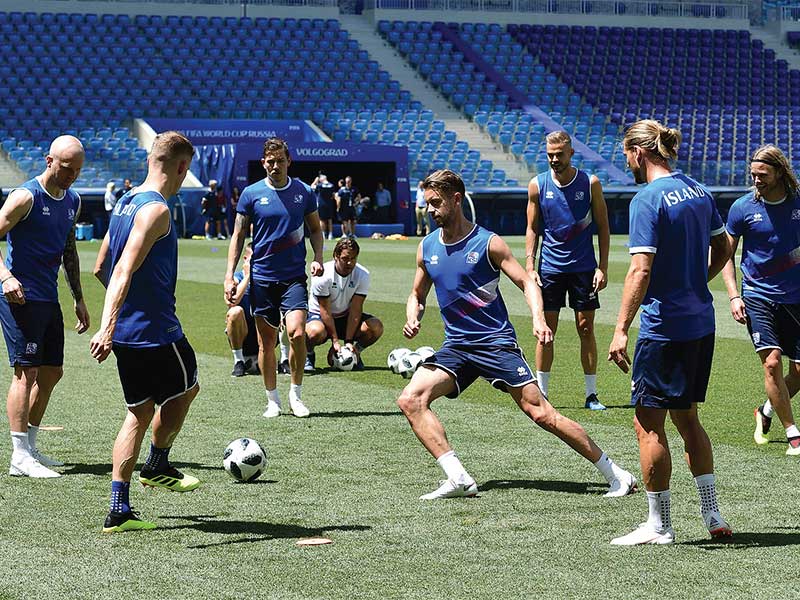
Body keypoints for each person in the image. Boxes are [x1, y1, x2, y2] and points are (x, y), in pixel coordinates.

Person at [398, 169, 636, 500]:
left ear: (456, 199)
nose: (431, 211)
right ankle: (458, 478)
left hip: (495, 344)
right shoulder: (427, 248)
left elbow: (527, 281)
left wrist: (539, 318)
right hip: (457, 347)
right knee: (411, 399)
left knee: (542, 413)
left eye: (436, 203)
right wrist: (414, 315)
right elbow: (417, 293)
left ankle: (616, 474)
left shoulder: (488, 243)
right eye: (427, 205)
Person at [608, 120, 732, 545]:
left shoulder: (646, 199)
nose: (626, 161)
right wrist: (699, 279)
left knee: (648, 425)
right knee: (689, 419)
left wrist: (621, 328)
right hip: (701, 322)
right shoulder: (699, 191)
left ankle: (659, 524)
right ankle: (713, 514)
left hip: (664, 328)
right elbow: (726, 247)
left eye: (626, 153)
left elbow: (640, 268)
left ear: (639, 153)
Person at [91, 131, 200, 533]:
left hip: (128, 334)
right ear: (182, 168)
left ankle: (118, 510)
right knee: (188, 388)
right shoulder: (157, 211)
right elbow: (120, 269)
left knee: (137, 413)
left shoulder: (124, 202)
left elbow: (101, 266)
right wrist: (110, 323)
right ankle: (157, 464)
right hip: (157, 331)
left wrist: (117, 320)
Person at [0, 135, 90, 478]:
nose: (71, 176)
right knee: (27, 371)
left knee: (52, 371)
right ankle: (18, 455)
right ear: (49, 160)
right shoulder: (26, 196)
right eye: (67, 168)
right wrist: (6, 278)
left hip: (47, 297)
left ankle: (31, 447)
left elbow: (69, 250)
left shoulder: (73, 200)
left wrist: (78, 298)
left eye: (78, 170)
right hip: (19, 296)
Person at [225, 137, 323, 418]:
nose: (275, 166)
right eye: (270, 161)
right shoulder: (251, 194)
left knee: (297, 333)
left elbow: (315, 229)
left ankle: (296, 394)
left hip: (293, 277)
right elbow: (238, 235)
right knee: (266, 342)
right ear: (263, 163)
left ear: (288, 161)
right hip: (262, 277)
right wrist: (229, 275)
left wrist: (317, 257)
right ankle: (273, 400)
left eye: (280, 160)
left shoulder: (304, 192)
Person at [722, 145, 800, 454]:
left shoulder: (797, 205)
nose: (756, 180)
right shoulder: (742, 208)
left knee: (798, 372)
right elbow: (724, 255)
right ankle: (793, 433)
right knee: (771, 363)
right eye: (753, 175)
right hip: (757, 295)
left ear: (780, 172)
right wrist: (733, 295)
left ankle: (765, 411)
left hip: (794, 298)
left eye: (762, 175)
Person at [525, 132, 610, 410]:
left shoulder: (590, 183)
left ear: (571, 153)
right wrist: (529, 264)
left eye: (559, 154)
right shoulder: (537, 185)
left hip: (584, 269)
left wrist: (603, 267)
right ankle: (543, 394)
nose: (554, 159)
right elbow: (532, 228)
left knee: (586, 329)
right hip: (549, 268)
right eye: (550, 154)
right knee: (546, 331)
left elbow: (603, 227)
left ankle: (591, 394)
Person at [305, 237, 383, 373]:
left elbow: (356, 309)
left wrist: (348, 342)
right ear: (336, 256)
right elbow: (325, 312)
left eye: (353, 258)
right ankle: (308, 353)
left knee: (375, 327)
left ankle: (354, 353)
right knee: (315, 332)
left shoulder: (363, 275)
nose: (349, 262)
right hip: (319, 316)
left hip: (344, 316)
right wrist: (335, 341)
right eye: (345, 258)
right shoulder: (323, 275)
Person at [226, 242, 260, 377]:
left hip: (264, 332)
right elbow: (232, 302)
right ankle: (238, 361)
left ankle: (285, 360)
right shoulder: (236, 278)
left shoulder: (267, 277)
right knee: (235, 312)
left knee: (287, 312)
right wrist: (247, 277)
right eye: (254, 258)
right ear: (245, 259)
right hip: (244, 333)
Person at [312, 173, 336, 240]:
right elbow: (333, 195)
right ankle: (330, 234)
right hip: (329, 204)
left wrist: (315, 181)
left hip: (322, 204)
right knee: (330, 219)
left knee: (322, 220)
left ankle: (323, 234)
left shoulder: (320, 185)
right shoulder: (331, 185)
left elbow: (312, 187)